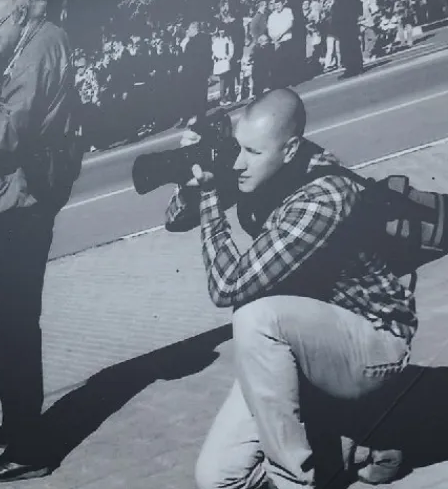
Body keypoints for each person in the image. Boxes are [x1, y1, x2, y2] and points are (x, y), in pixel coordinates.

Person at [164, 89, 416, 489]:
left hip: (373, 344)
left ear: (290, 148)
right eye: (236, 149)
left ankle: (293, 481)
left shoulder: (323, 195)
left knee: (253, 316)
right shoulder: (262, 163)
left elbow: (228, 286)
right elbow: (175, 219)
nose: (240, 163)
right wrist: (192, 166)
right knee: (217, 479)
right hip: (301, 340)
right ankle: (346, 444)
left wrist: (211, 195)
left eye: (252, 152)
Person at [0, 0, 82, 484]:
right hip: (29, 196)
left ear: (19, 17)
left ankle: (30, 447)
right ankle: (19, 421)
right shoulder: (43, 42)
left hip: (27, 200)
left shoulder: (35, 52)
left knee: (11, 322)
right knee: (13, 318)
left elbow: (7, 136)